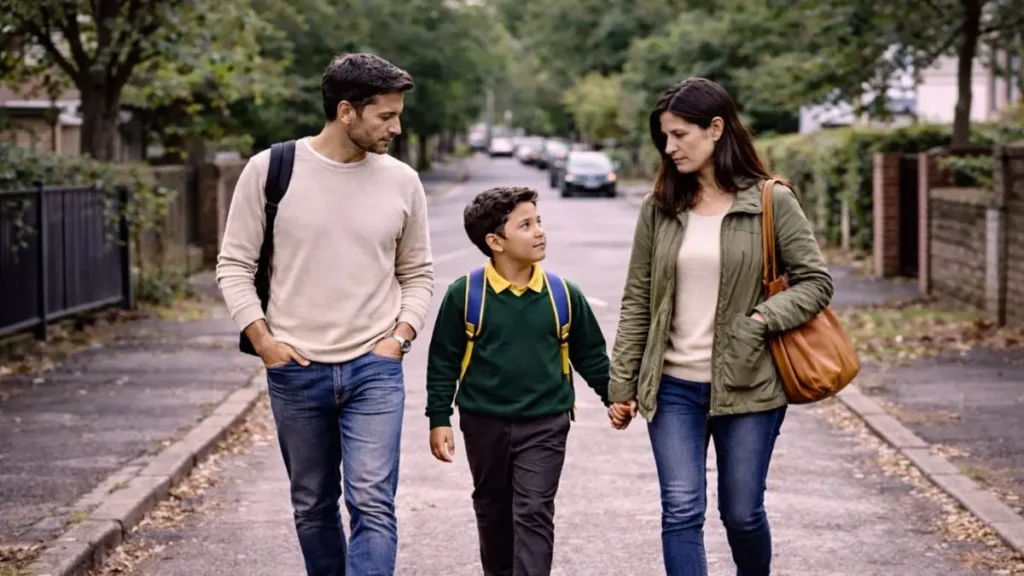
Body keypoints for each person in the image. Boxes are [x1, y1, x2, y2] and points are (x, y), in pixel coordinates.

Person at [215, 53, 433, 576]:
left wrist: (400, 337)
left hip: (374, 368)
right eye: (386, 116)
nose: (397, 128)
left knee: (373, 504)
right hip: (297, 369)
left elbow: (418, 274)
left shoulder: (402, 182)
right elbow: (234, 264)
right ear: (346, 112)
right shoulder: (270, 170)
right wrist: (265, 342)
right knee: (312, 506)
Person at [606, 77, 834, 576]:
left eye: (679, 134)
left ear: (716, 128)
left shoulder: (771, 202)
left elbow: (816, 283)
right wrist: (621, 384)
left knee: (742, 513)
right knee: (681, 511)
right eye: (664, 137)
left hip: (750, 386)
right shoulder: (660, 208)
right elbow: (638, 300)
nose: (670, 148)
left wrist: (760, 320)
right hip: (671, 389)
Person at [425, 186, 612, 576]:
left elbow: (591, 355)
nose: (539, 231)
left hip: (546, 421)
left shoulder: (562, 294)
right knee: (493, 510)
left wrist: (616, 395)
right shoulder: (465, 295)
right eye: (525, 225)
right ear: (495, 241)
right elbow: (443, 361)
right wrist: (439, 417)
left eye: (538, 221)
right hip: (483, 422)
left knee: (534, 510)